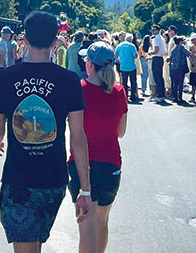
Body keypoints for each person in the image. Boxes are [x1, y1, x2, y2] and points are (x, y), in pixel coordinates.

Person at [0, 11, 90, 251]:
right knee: (34, 245)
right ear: (55, 41)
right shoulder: (69, 80)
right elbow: (78, 137)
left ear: (24, 39)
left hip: (18, 180)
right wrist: (85, 189)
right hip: (53, 181)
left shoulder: (5, 78)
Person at [70, 41, 128, 253]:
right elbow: (120, 132)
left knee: (86, 226)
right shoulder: (119, 91)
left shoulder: (79, 89)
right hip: (110, 165)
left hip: (82, 164)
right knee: (102, 222)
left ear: (90, 65)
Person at [114, 33, 138, 102]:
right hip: (131, 66)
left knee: (124, 82)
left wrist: (120, 59)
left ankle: (125, 95)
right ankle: (133, 95)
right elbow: (135, 56)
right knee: (133, 81)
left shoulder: (120, 46)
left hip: (123, 66)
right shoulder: (132, 46)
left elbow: (115, 55)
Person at [148, 24, 167, 103]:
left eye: (154, 30)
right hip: (160, 58)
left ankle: (160, 95)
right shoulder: (162, 38)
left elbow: (156, 50)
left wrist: (150, 53)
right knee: (160, 77)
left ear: (157, 30)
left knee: (157, 78)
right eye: (152, 30)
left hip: (156, 58)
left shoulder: (156, 39)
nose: (152, 32)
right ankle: (161, 94)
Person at [169, 35, 189, 104]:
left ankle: (175, 97)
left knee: (175, 82)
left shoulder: (173, 49)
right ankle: (180, 97)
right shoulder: (182, 48)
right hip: (181, 67)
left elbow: (171, 58)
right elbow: (188, 54)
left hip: (174, 67)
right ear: (180, 42)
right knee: (180, 83)